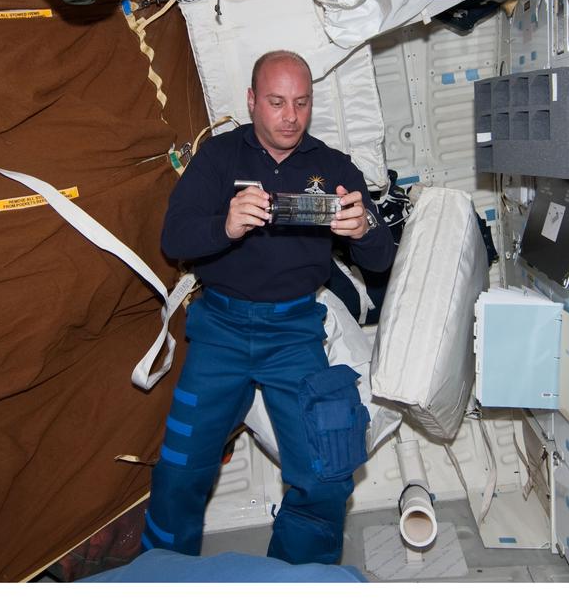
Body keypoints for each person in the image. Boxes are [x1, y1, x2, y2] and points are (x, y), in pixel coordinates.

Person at [142, 49, 396, 565]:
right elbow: (174, 238)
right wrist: (225, 226)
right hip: (220, 330)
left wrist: (364, 229)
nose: (290, 117)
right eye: (277, 102)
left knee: (326, 475)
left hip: (295, 332)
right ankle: (162, 582)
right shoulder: (217, 158)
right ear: (253, 101)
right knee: (179, 469)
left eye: (301, 103)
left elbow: (383, 255)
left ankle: (295, 581)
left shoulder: (332, 166)